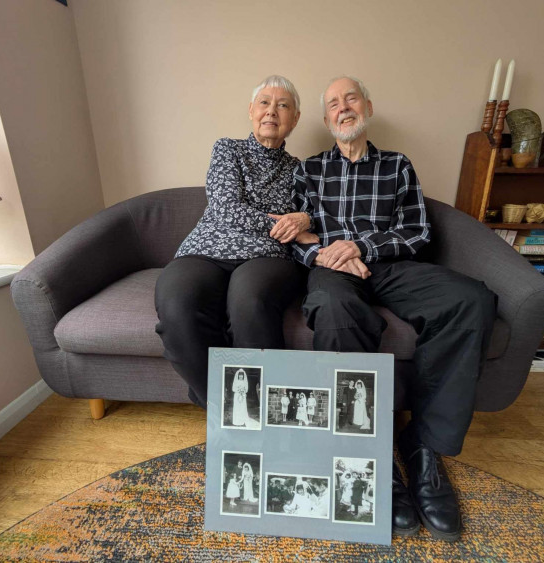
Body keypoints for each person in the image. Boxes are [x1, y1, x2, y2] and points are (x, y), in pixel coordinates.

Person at [291, 76, 497, 541]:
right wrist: (325, 255)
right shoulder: (309, 170)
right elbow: (294, 235)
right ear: (326, 121)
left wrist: (359, 245)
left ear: (367, 107)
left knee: (471, 300)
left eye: (350, 99)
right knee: (331, 305)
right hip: (332, 269)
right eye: (333, 104)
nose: (343, 108)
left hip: (388, 264)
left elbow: (418, 231)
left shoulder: (397, 166)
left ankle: (423, 446)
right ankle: (367, 454)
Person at [155, 75, 312, 409]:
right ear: (251, 110)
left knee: (249, 302)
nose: (272, 111)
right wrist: (282, 223)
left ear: (295, 119)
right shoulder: (227, 149)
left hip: (265, 256)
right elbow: (226, 208)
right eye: (265, 103)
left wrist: (302, 220)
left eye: (283, 105)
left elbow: (311, 214)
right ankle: (229, 411)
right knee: (177, 302)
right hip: (206, 249)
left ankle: (262, 409)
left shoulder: (300, 169)